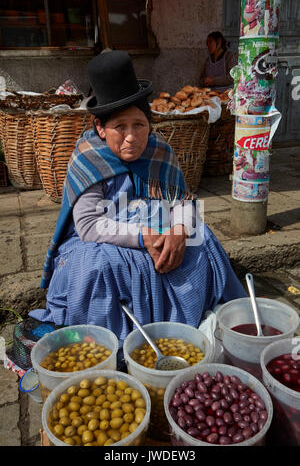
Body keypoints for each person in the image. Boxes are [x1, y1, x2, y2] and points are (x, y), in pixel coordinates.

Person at [28, 50, 246, 368]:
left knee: (202, 242)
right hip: (105, 238)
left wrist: (179, 230)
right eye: (120, 127)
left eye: (139, 125)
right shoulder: (88, 157)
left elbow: (183, 200)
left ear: (149, 123)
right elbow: (89, 225)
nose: (131, 137)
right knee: (97, 268)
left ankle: (181, 332)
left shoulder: (161, 151)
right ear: (101, 128)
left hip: (159, 228)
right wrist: (145, 237)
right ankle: (109, 349)